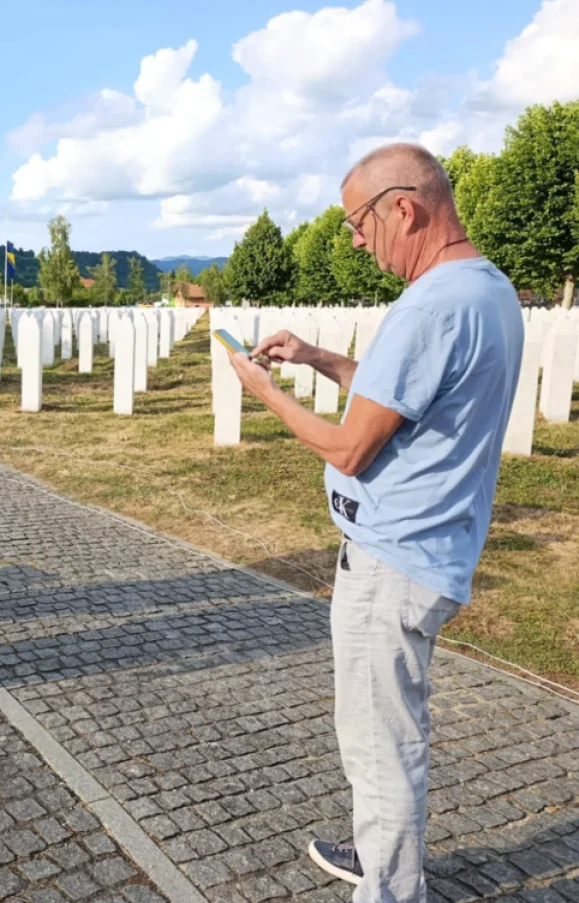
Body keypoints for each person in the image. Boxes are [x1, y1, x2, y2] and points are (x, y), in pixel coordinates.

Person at [227, 143, 523, 903]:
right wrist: (318, 357)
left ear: (403, 207)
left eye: (358, 221)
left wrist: (262, 391)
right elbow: (401, 397)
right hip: (430, 545)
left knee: (378, 741)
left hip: (396, 556)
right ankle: (378, 852)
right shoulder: (483, 288)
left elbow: (352, 445)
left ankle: (389, 889)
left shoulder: (430, 303)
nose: (354, 239)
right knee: (383, 728)